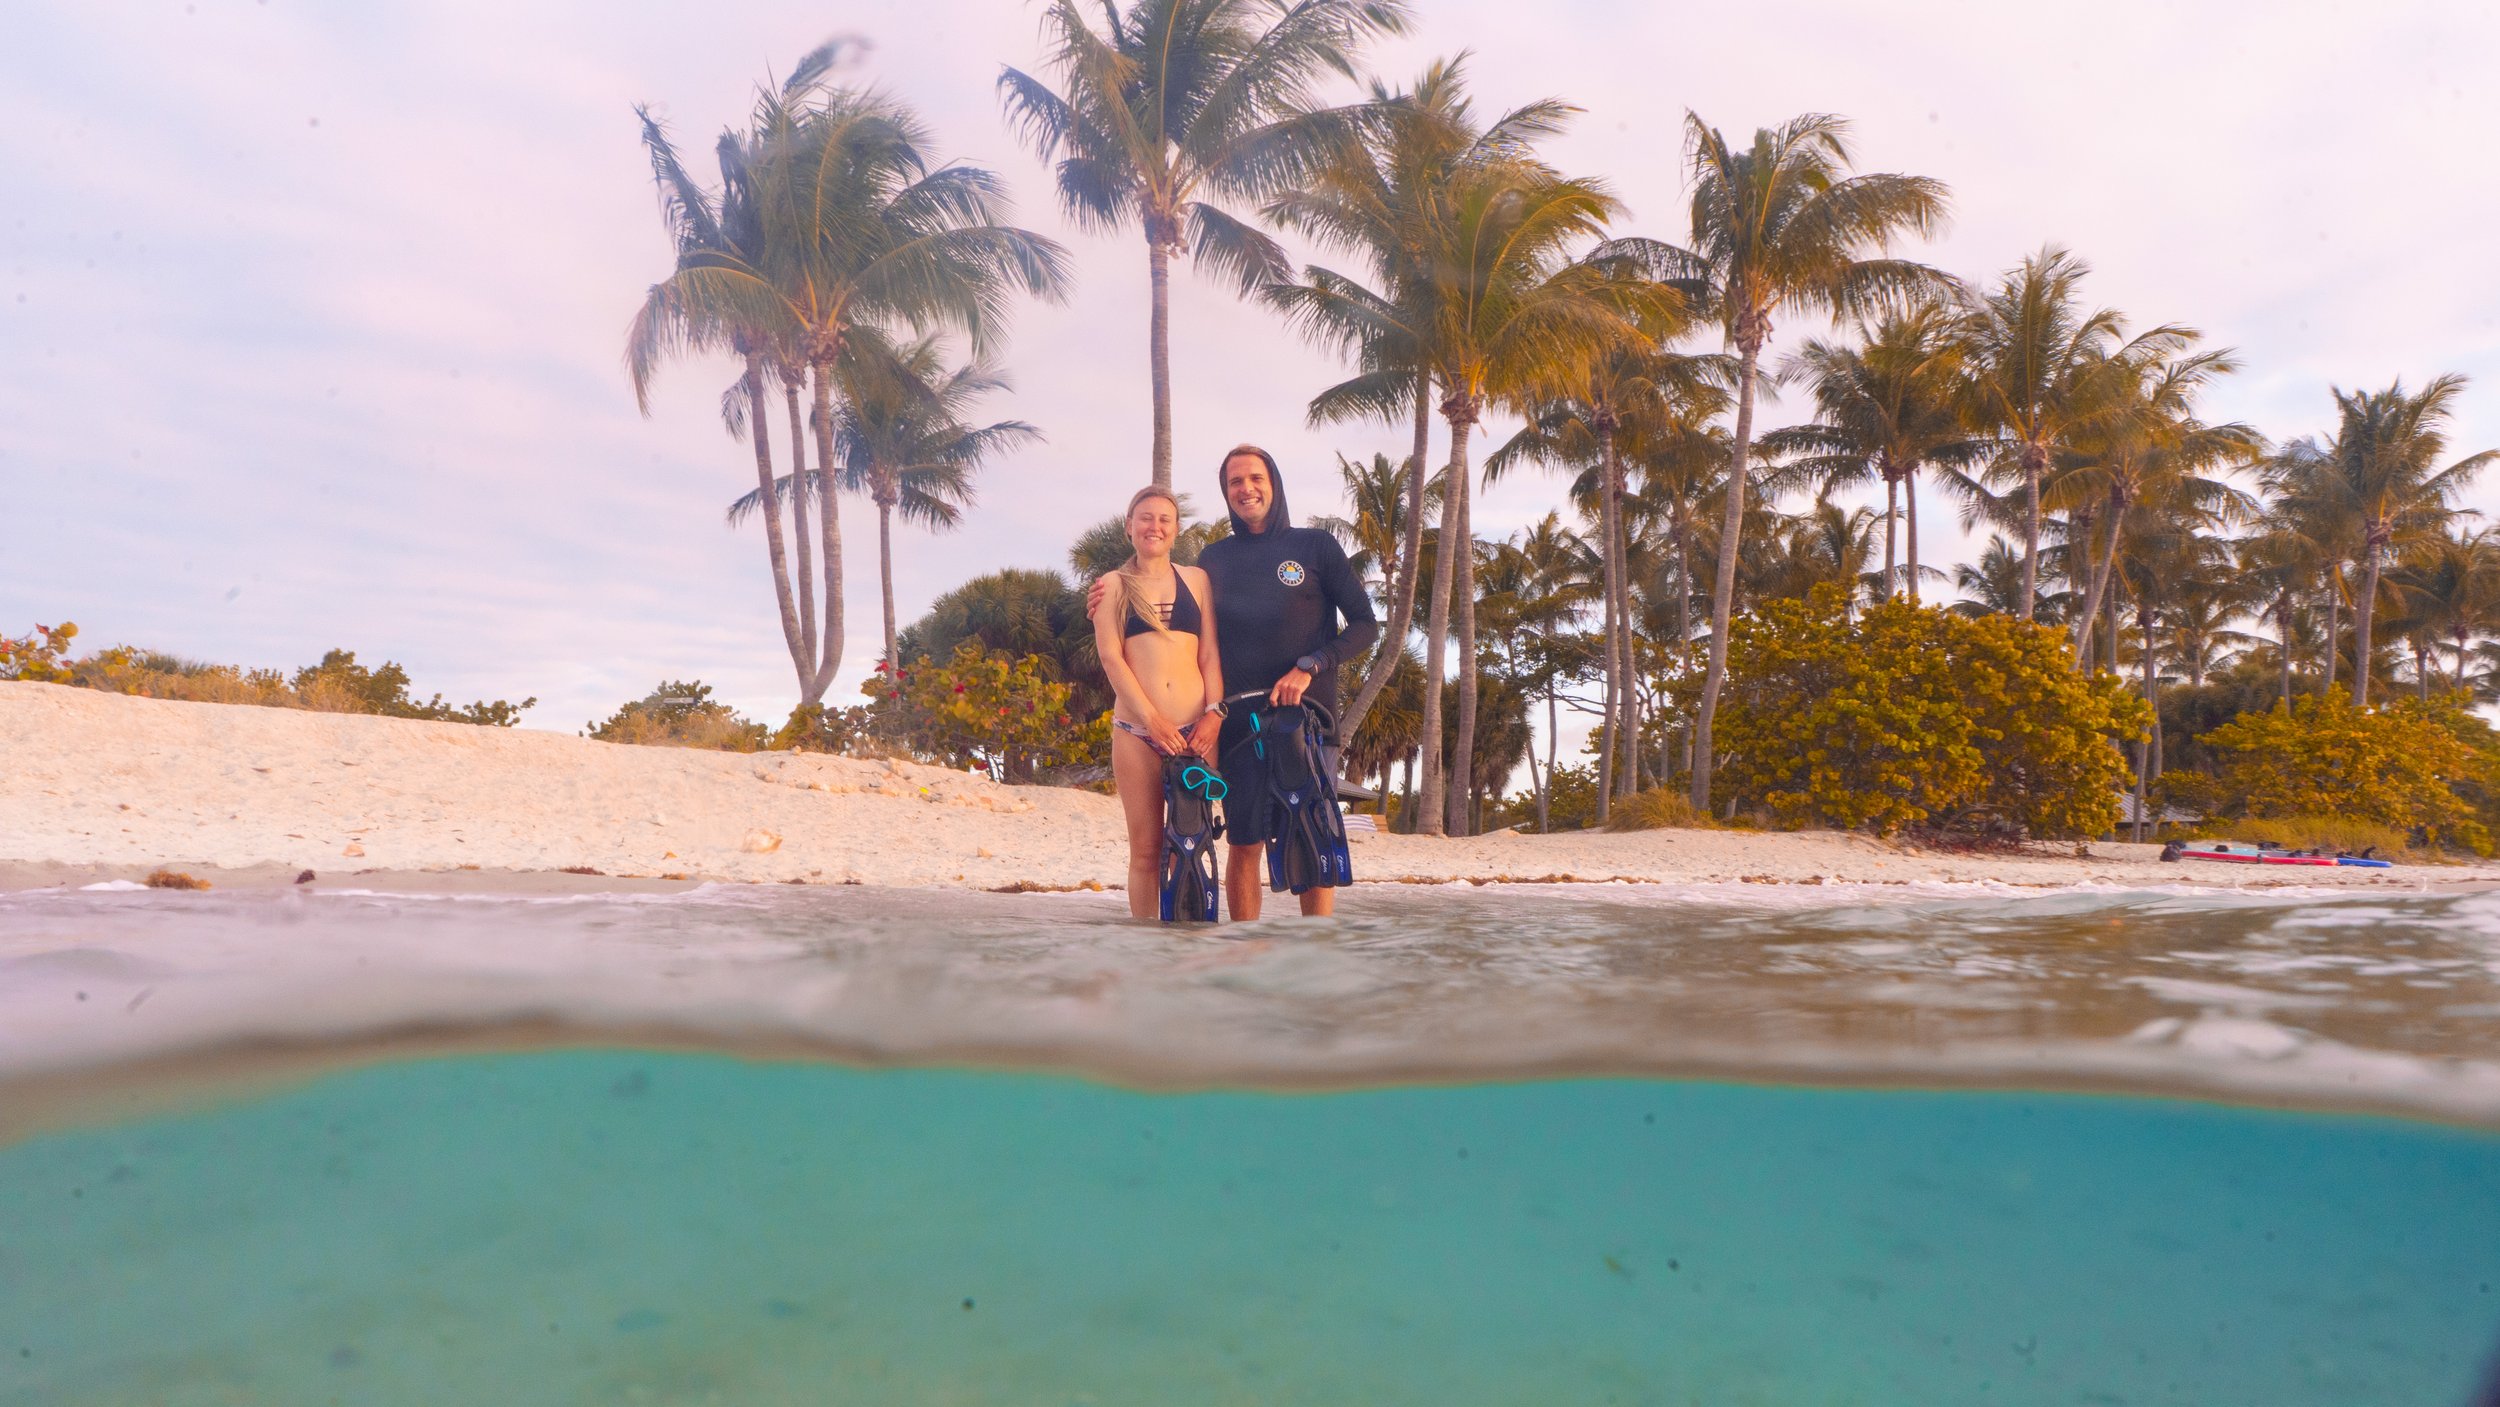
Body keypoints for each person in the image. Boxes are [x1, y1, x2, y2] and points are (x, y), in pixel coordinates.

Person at [1096, 445, 1379, 918]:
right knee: (1242, 842)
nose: (1246, 489)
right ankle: (1243, 953)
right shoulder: (1215, 560)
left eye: (1255, 478)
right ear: (1226, 493)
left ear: (1273, 482)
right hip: (1238, 722)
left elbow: (1365, 626)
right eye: (1234, 482)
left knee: (1311, 834)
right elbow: (1182, 623)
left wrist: (1311, 664)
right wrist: (1106, 597)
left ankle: (1318, 958)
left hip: (1306, 719)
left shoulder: (1315, 547)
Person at [1089, 486, 1224, 921]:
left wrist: (1215, 714)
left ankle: (1185, 948)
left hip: (1196, 733)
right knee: (1146, 851)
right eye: (1145, 518)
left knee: (1190, 844)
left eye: (1165, 519)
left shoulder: (1196, 580)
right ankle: (1148, 949)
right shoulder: (1111, 586)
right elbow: (1111, 658)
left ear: (1176, 529)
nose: (1155, 526)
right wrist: (1151, 720)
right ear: (1129, 526)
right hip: (1137, 733)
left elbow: (1209, 655)